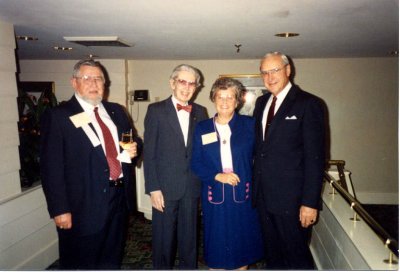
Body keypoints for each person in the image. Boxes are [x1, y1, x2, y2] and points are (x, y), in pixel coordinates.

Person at [40, 59, 142, 269]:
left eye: (98, 79)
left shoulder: (116, 111)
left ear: (105, 84)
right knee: (81, 261)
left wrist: (134, 148)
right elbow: (51, 168)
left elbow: (133, 140)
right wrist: (60, 209)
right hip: (82, 207)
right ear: (74, 82)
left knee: (111, 257)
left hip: (118, 198)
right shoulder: (59, 116)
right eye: (86, 78)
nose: (93, 83)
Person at [252, 51, 326, 269]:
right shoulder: (261, 102)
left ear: (288, 70)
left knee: (296, 256)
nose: (269, 77)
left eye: (274, 70)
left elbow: (315, 158)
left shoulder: (309, 104)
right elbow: (260, 149)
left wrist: (310, 203)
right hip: (264, 197)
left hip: (293, 201)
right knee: (272, 255)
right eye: (264, 72)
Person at [191, 77, 264, 270]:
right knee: (216, 246)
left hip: (243, 195)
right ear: (213, 99)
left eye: (229, 97)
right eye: (220, 97)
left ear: (238, 101)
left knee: (242, 248)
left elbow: (263, 156)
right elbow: (196, 162)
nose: (224, 102)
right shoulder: (202, 128)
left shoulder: (250, 125)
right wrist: (217, 176)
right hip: (214, 195)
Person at [143, 64, 208, 269]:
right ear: (172, 83)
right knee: (164, 240)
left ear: (196, 87)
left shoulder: (201, 111)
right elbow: (149, 153)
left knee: (190, 240)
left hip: (191, 187)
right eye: (182, 81)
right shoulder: (156, 111)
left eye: (192, 83)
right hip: (164, 188)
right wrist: (153, 188)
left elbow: (205, 149)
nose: (187, 87)